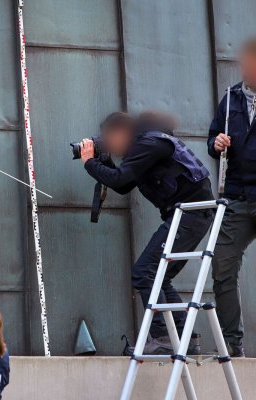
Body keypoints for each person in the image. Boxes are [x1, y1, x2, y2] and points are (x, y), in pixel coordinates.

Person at [80, 111, 214, 355]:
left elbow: (120, 180)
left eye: (109, 139)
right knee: (159, 276)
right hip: (189, 215)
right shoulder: (144, 147)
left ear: (122, 132)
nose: (110, 145)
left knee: (145, 271)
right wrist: (103, 162)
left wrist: (90, 162)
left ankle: (163, 336)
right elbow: (123, 185)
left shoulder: (149, 143)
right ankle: (185, 339)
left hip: (189, 214)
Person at [208, 35, 256, 359]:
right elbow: (212, 138)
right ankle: (230, 344)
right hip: (236, 194)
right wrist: (217, 143)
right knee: (221, 265)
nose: (247, 71)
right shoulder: (231, 97)